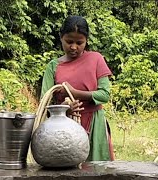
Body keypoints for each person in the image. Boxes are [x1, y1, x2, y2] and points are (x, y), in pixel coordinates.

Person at [41, 15, 114, 161]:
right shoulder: (53, 67)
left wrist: (75, 93)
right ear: (61, 37)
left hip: (95, 125)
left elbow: (105, 95)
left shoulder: (96, 59)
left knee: (98, 169)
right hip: (64, 128)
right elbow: (45, 103)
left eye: (79, 42)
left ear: (86, 41)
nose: (73, 47)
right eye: (69, 41)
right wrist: (63, 108)